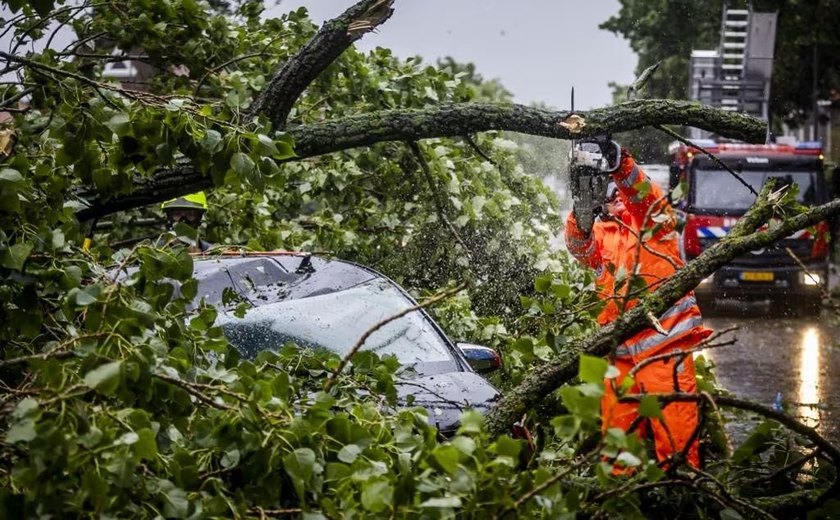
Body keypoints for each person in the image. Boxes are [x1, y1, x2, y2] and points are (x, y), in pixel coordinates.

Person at [564, 139, 712, 469]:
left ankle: (681, 497)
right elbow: (578, 245)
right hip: (620, 359)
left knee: (676, 447)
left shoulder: (655, 223)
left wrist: (619, 163)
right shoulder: (600, 233)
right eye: (609, 191)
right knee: (617, 451)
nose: (616, 195)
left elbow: (644, 194)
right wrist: (581, 210)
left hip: (666, 351)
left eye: (619, 190)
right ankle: (619, 503)